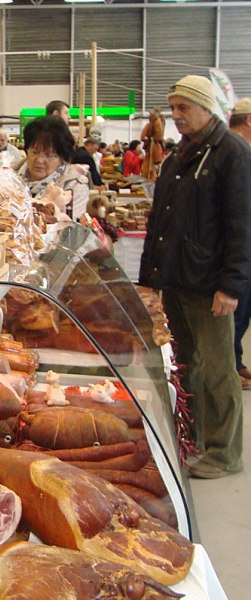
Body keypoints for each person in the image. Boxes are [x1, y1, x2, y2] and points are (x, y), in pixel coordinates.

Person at [140, 75, 251, 479]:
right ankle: (195, 440)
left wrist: (231, 286)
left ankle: (224, 453)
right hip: (177, 279)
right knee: (187, 365)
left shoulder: (231, 154)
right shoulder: (179, 156)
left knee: (220, 370)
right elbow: (161, 220)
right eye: (172, 108)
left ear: (206, 108)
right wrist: (151, 275)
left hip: (210, 285)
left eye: (183, 108)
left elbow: (242, 226)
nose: (176, 116)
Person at [18, 115, 89, 219]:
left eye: (49, 155)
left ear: (62, 157)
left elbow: (70, 227)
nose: (39, 160)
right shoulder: (9, 177)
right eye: (34, 152)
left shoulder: (74, 186)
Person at [228, 97, 251, 389]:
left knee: (242, 310)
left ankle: (236, 361)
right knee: (235, 309)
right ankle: (229, 367)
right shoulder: (236, 152)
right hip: (238, 246)